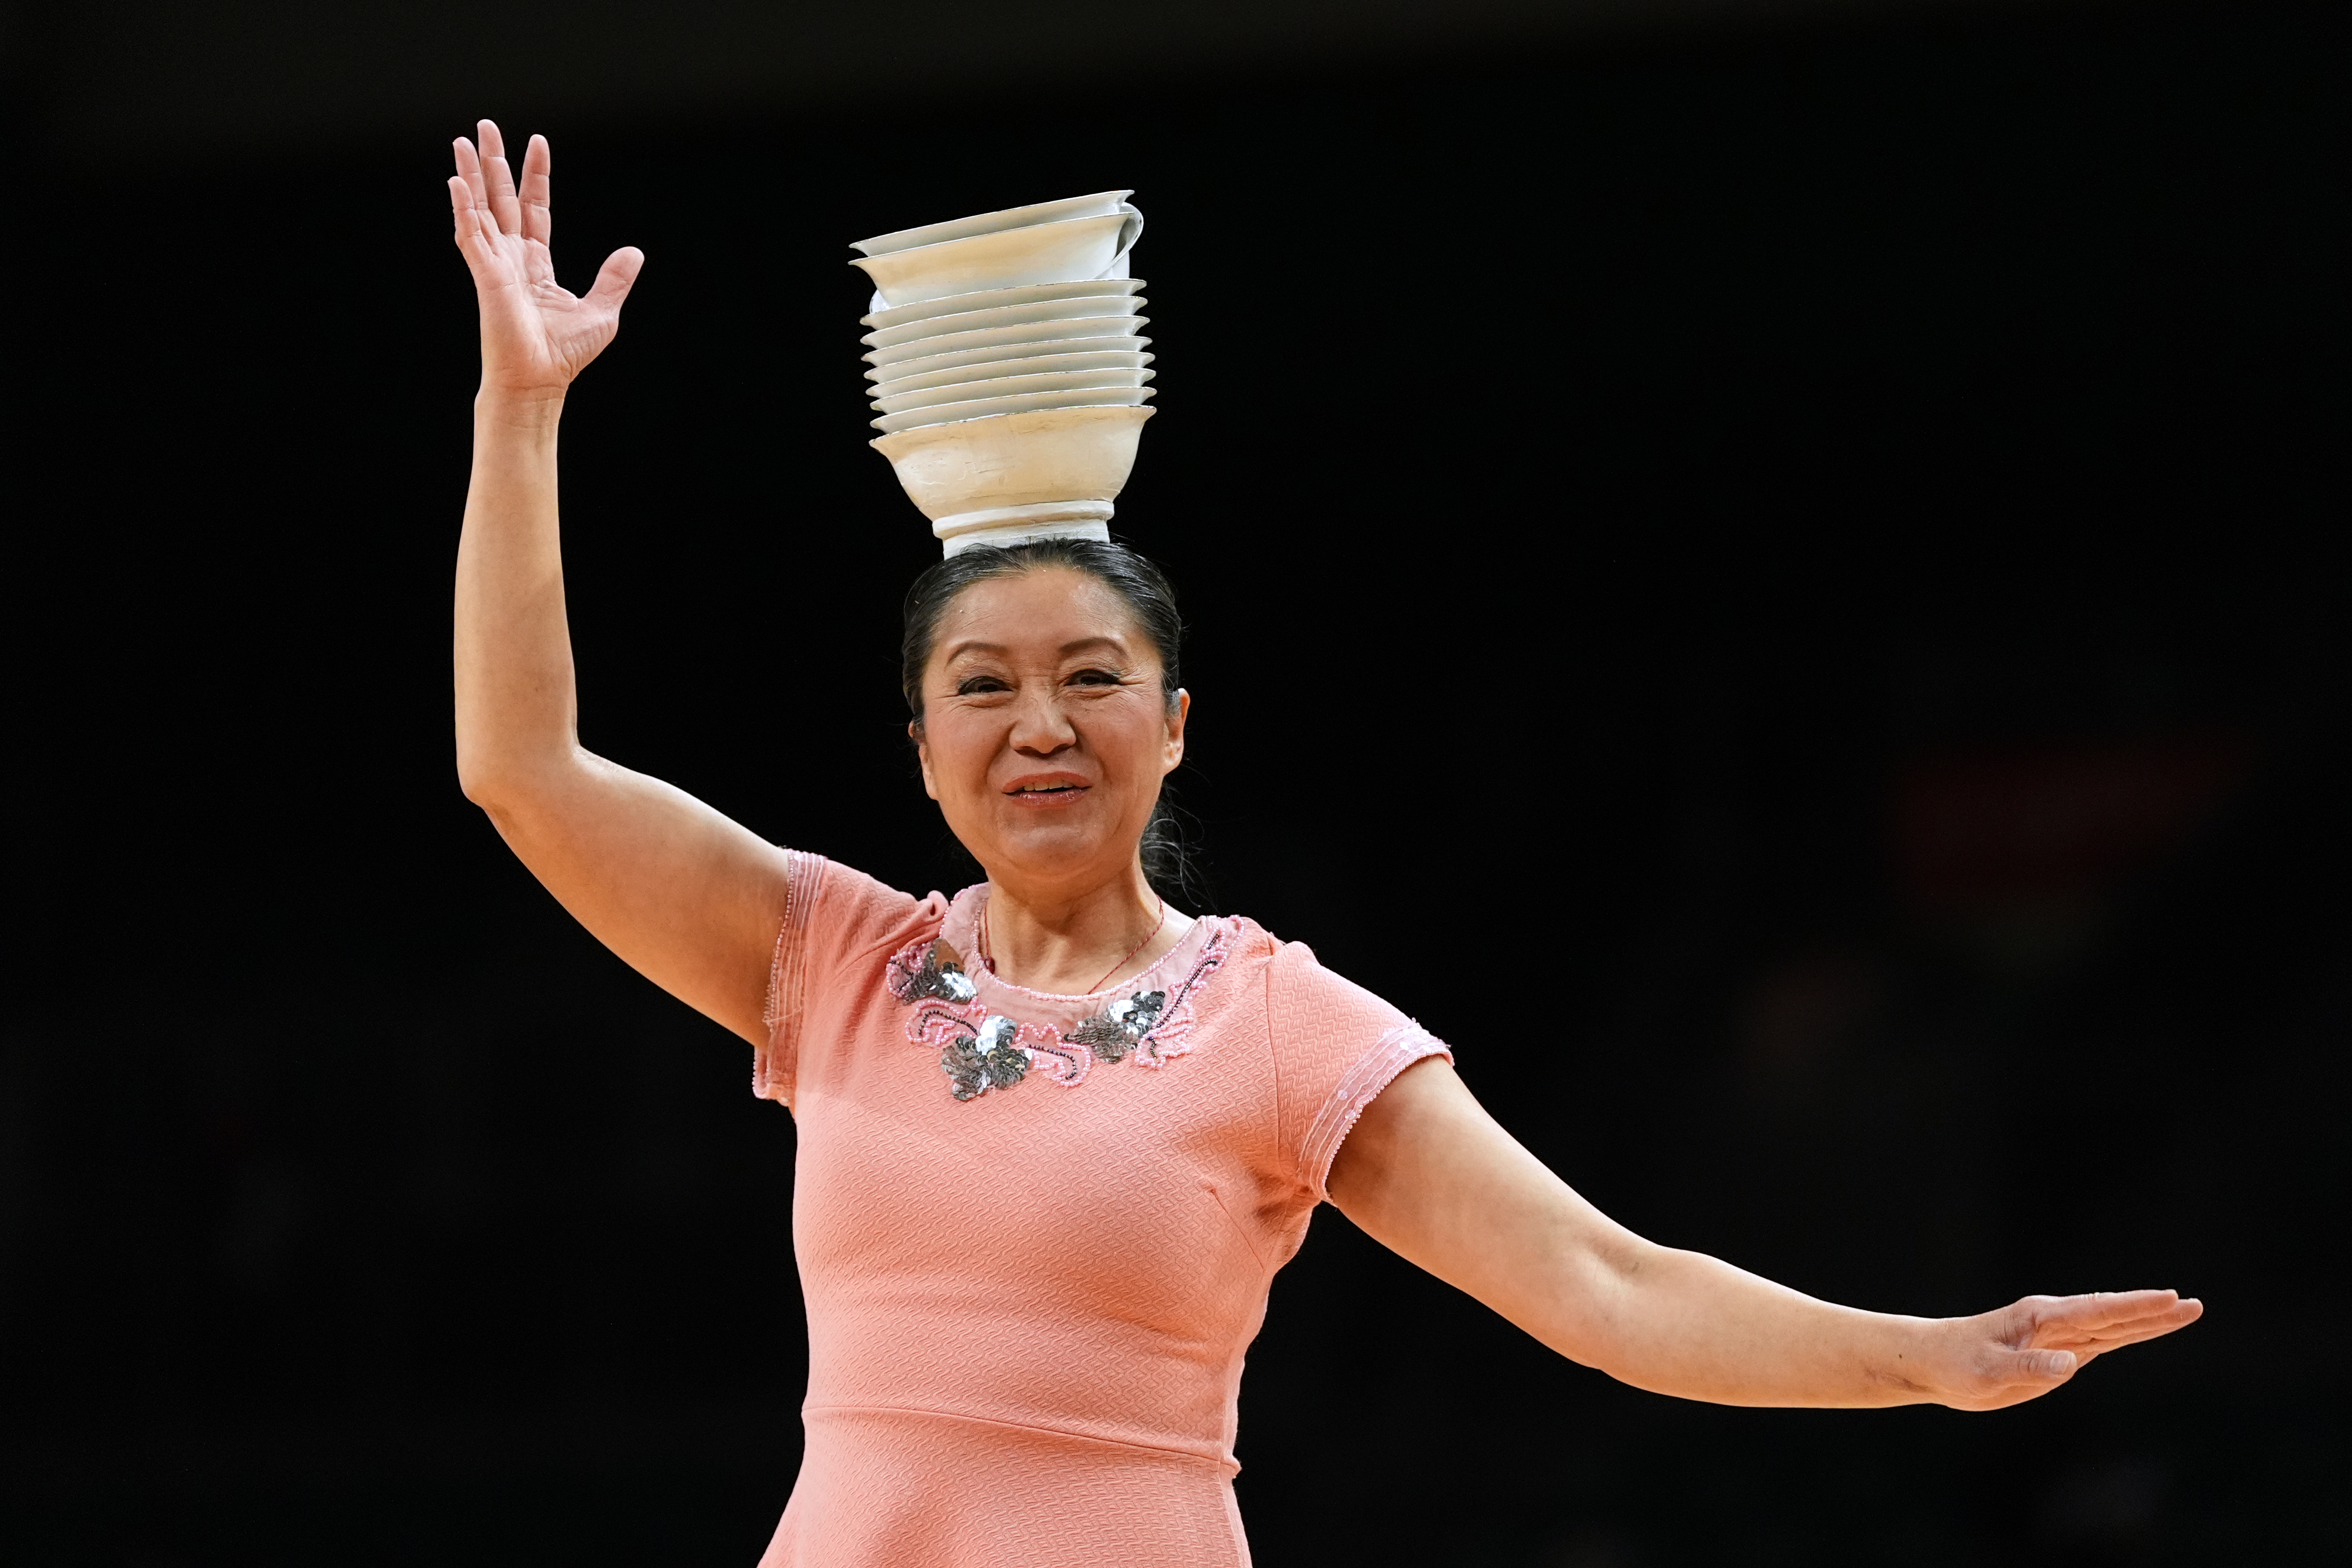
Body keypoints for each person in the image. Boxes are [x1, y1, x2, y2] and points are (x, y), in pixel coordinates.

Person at [445, 122, 2202, 1568]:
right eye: (982, 686)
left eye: (1091, 678)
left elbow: (1600, 1281)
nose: (1039, 723)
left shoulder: (1273, 1021)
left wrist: (1924, 1359)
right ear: (921, 751)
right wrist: (521, 411)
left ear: (1177, 722)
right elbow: (519, 765)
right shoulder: (835, 959)